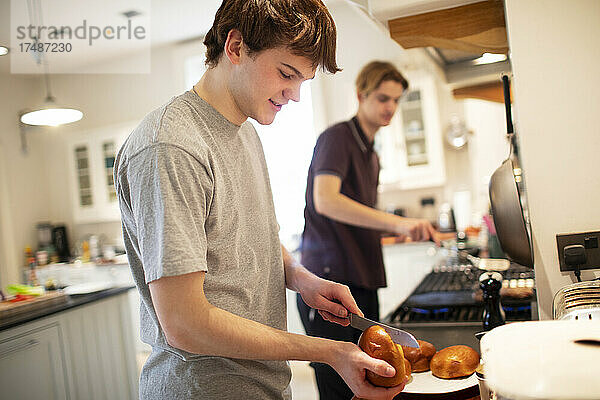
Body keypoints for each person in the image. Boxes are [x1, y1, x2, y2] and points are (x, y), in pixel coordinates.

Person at [114, 2, 407, 399]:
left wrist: (301, 278)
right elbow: (184, 322)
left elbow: (249, 239)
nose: (296, 94)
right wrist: (329, 351)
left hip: (264, 386)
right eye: (287, 74)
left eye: (303, 80)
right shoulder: (171, 146)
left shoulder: (244, 131)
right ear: (235, 47)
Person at [297, 60, 439, 399]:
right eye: (382, 98)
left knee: (370, 385)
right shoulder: (338, 138)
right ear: (361, 96)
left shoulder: (371, 153)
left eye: (396, 100)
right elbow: (326, 200)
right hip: (330, 287)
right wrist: (399, 224)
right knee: (338, 390)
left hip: (360, 281)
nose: (390, 107)